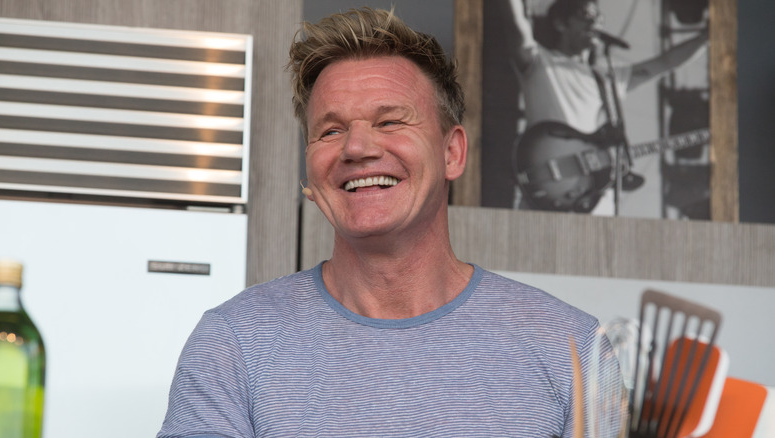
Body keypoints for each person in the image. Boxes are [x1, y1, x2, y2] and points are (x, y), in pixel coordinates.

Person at [157, 7, 623, 438]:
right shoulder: (234, 343)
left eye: (390, 122)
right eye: (331, 130)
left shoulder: (573, 350)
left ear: (451, 152)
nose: (356, 148)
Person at [505, 0, 708, 214]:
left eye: (598, 18)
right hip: (548, 189)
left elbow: (665, 63)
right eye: (586, 15)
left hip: (596, 203)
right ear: (560, 24)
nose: (595, 22)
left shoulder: (609, 77)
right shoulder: (539, 61)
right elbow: (515, 23)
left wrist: (707, 38)